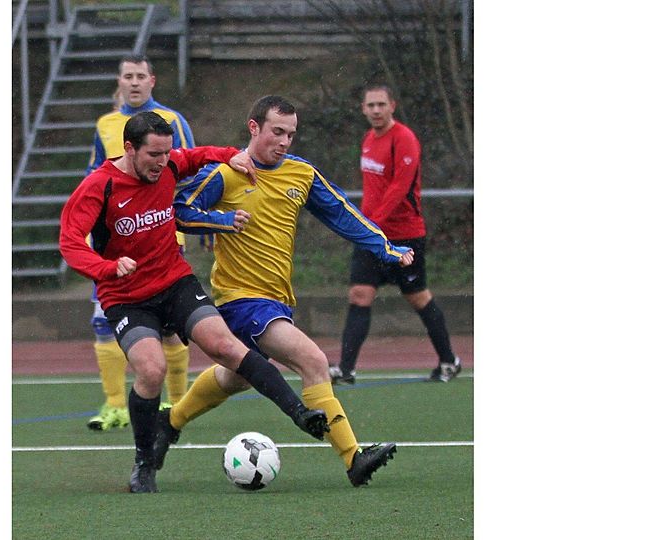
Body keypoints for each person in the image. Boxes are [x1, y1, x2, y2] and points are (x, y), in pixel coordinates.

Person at [59, 112, 329, 493]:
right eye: (153, 154)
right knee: (151, 371)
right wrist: (105, 267)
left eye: (167, 153)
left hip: (175, 282)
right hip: (126, 297)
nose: (162, 162)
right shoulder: (98, 186)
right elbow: (70, 242)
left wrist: (228, 155)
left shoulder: (168, 164)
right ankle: (144, 461)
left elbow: (196, 155)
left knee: (226, 346)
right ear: (129, 148)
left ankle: (300, 414)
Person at [166, 95, 415, 487]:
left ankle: (172, 420)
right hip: (240, 299)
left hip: (277, 298)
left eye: (291, 134)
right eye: (276, 132)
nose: (284, 141)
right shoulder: (226, 174)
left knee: (236, 378)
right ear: (254, 128)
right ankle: (354, 459)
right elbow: (179, 211)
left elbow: (342, 214)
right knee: (313, 362)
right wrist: (221, 221)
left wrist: (387, 248)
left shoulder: (301, 174)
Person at [82, 55, 197, 431]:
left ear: (152, 80)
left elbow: (194, 173)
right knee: (105, 322)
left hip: (163, 236)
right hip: (115, 244)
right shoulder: (105, 124)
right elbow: (94, 178)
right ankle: (114, 405)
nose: (134, 82)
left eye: (140, 76)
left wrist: (203, 221)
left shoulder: (172, 122)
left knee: (168, 329)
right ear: (120, 81)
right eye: (127, 76)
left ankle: (180, 403)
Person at [329, 84, 462, 385]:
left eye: (381, 104)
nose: (376, 110)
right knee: (359, 295)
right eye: (370, 105)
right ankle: (345, 369)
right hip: (372, 236)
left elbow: (399, 188)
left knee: (418, 297)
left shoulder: (404, 139)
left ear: (392, 106)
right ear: (363, 108)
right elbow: (373, 191)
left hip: (404, 236)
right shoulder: (367, 140)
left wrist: (371, 223)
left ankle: (448, 361)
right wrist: (365, 226)